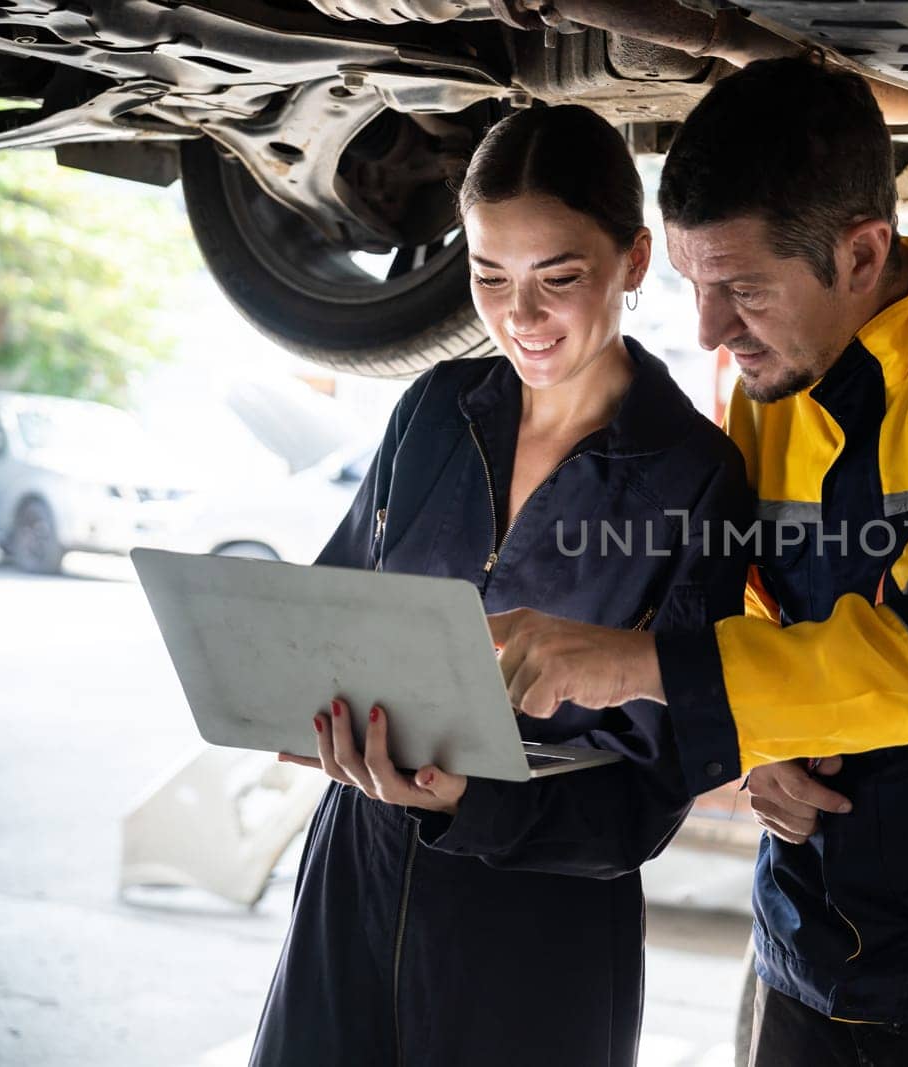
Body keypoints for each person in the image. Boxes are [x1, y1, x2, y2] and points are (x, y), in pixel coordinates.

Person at [495, 58, 908, 1066]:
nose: (711, 330)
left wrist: (626, 662)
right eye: (692, 285)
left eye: (744, 291)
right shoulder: (769, 390)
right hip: (814, 942)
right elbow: (767, 618)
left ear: (861, 253)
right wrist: (762, 747)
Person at [249, 104, 751, 1066]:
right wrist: (289, 697)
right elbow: (334, 613)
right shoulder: (433, 411)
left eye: (557, 279)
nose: (518, 317)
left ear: (635, 261)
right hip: (357, 879)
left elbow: (653, 793)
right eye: (488, 277)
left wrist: (469, 801)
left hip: (535, 929)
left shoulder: (694, 475)